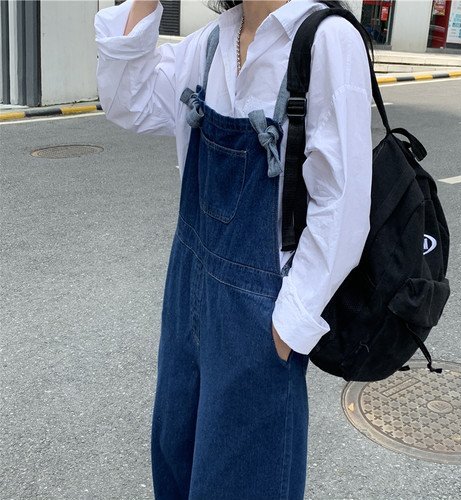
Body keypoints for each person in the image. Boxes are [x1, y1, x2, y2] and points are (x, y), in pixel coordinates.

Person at [94, 0, 373, 498]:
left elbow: (343, 202)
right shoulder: (212, 42)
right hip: (186, 295)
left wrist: (287, 327)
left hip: (259, 321)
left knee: (244, 483)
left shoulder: (327, 40)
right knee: (175, 465)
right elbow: (126, 100)